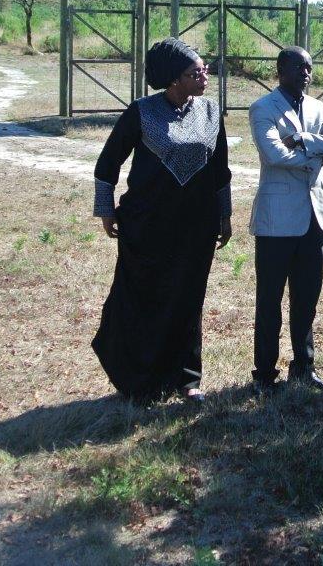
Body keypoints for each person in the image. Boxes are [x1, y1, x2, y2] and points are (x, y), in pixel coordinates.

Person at [92, 37, 232, 404]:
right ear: (173, 80)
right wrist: (106, 208)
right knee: (145, 298)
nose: (204, 76)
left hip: (196, 227)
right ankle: (140, 379)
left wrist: (225, 214)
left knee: (189, 299)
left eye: (204, 69)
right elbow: (107, 165)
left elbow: (221, 171)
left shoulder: (211, 112)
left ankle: (187, 378)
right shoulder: (141, 112)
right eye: (195, 72)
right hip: (147, 226)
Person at [249, 46, 323, 394]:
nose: (306, 74)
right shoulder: (263, 108)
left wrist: (306, 140)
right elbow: (274, 154)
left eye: (309, 68)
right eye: (298, 68)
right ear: (280, 70)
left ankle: (303, 367)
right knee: (269, 300)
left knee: (307, 297)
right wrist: (315, 157)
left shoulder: (319, 108)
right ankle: (264, 373)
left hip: (315, 219)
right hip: (276, 221)